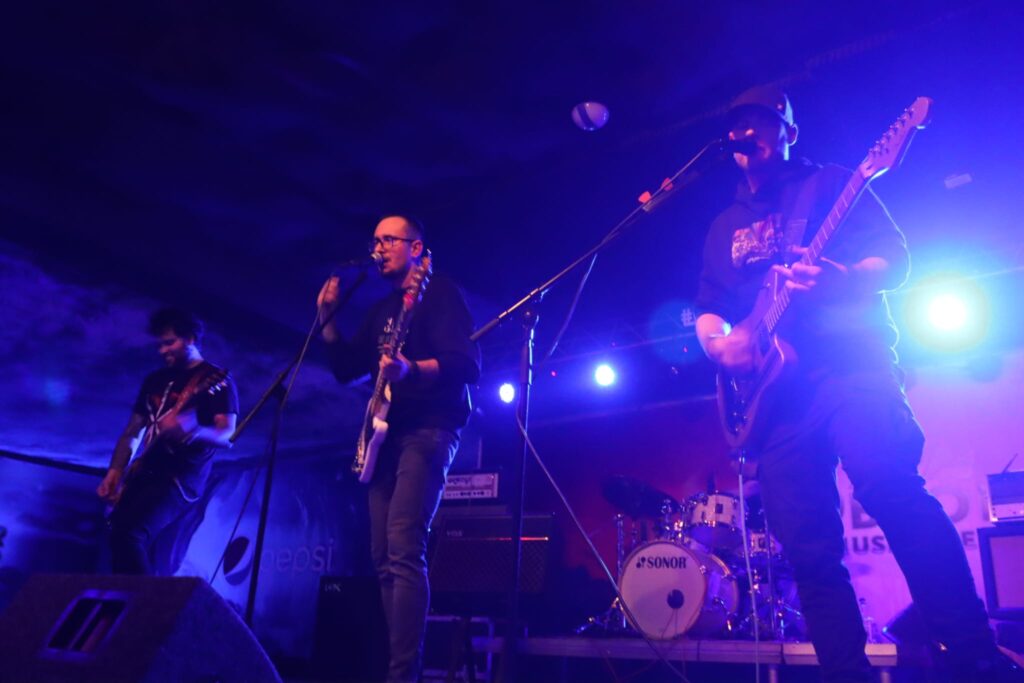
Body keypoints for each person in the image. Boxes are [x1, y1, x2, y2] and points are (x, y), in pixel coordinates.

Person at [694, 85, 1021, 682]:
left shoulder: (831, 182)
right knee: (809, 551)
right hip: (776, 403)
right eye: (740, 123)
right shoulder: (723, 226)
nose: (749, 132)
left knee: (893, 491)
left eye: (764, 121)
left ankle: (973, 654)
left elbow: (894, 259)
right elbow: (709, 308)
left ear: (789, 132)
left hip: (852, 368)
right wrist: (720, 344)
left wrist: (842, 275)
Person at [317, 215, 481, 683]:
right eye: (375, 240)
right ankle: (397, 667)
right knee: (382, 556)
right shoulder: (382, 310)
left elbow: (465, 364)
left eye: (389, 239)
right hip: (386, 435)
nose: (379, 247)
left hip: (429, 426)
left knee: (405, 545)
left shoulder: (439, 292)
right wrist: (327, 320)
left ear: (416, 248)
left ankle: (401, 674)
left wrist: (411, 370)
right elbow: (347, 368)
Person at [97, 307, 238, 575]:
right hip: (146, 470)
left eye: (169, 343)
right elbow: (133, 430)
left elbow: (227, 433)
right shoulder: (155, 380)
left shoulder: (213, 378)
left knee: (131, 533)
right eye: (159, 345)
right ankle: (127, 597)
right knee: (116, 533)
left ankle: (143, 600)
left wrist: (192, 429)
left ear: (191, 339)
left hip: (179, 478)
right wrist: (115, 471)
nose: (162, 351)